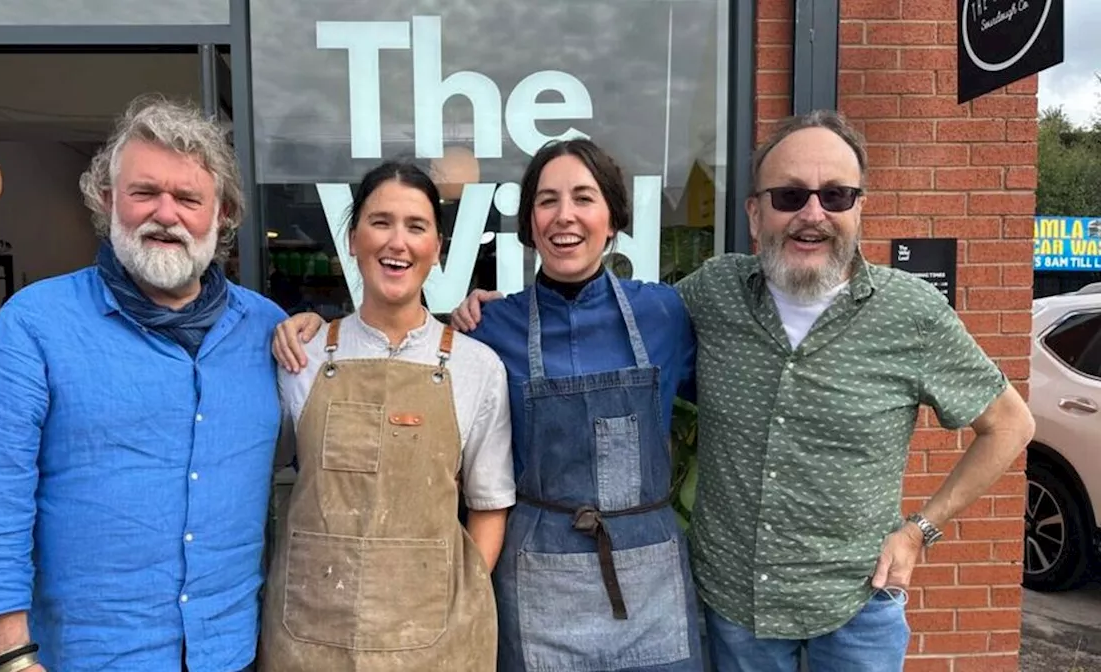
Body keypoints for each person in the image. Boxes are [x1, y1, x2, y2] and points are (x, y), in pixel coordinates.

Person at [455, 110, 1035, 671]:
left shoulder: (669, 310)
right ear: (756, 215)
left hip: (847, 597)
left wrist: (921, 531)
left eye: (835, 195)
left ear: (613, 217)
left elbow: (1011, 423)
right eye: (789, 196)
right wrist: (468, 313)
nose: (812, 212)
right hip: (715, 600)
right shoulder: (504, 328)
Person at [274, 139, 703, 672]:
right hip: (536, 580)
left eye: (584, 198)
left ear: (613, 218)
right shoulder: (491, 329)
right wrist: (310, 324)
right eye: (547, 200)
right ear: (528, 224)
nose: (564, 215)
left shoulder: (665, 313)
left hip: (649, 584)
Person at [0, 96, 285, 672]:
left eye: (188, 198)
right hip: (89, 656)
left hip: (230, 649)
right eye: (144, 193)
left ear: (223, 214)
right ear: (107, 201)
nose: (166, 213)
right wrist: (9, 656)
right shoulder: (35, 324)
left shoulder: (268, 331)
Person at [257, 160, 514, 671]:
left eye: (416, 227)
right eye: (380, 222)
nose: (398, 242)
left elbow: (489, 505)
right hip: (310, 636)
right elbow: (255, 475)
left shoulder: (476, 367)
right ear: (353, 239)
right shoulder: (301, 359)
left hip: (433, 640)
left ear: (437, 249)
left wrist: (460, 601)